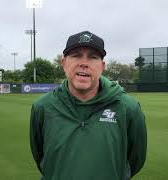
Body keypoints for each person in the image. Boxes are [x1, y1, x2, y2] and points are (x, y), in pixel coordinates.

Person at [30, 31, 147, 180]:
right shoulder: (43, 107)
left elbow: (134, 161)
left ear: (102, 66)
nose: (84, 63)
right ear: (64, 63)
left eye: (92, 57)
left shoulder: (128, 108)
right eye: (76, 55)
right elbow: (41, 158)